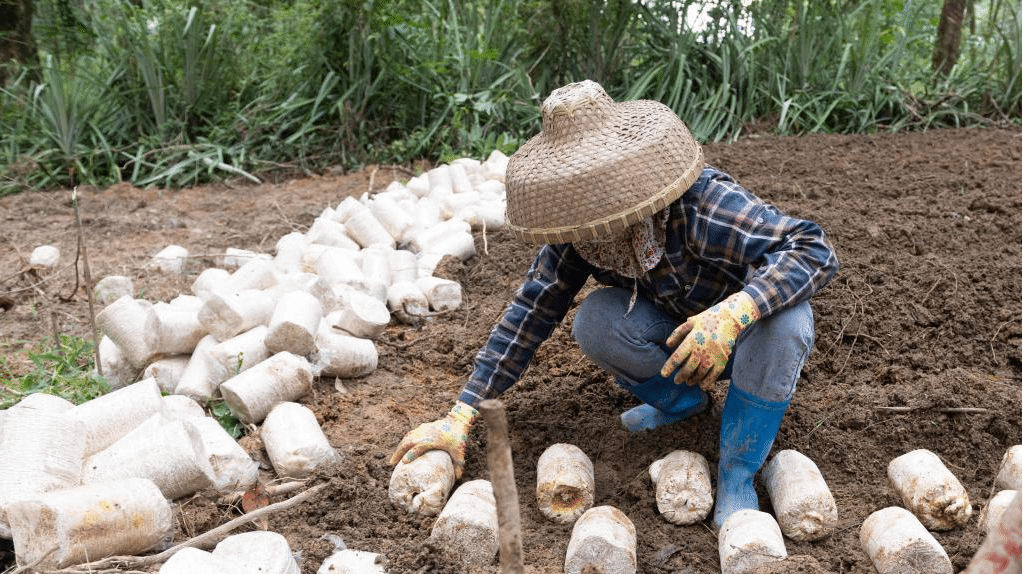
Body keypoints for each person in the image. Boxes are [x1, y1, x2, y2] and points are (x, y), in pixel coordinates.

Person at [388, 80, 839, 530]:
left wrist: (734, 312)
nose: (591, 233)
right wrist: (461, 414)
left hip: (744, 342)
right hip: (678, 337)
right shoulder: (579, 235)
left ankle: (738, 469)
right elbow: (527, 316)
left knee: (789, 320)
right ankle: (683, 403)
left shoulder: (704, 204)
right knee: (597, 319)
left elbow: (811, 248)